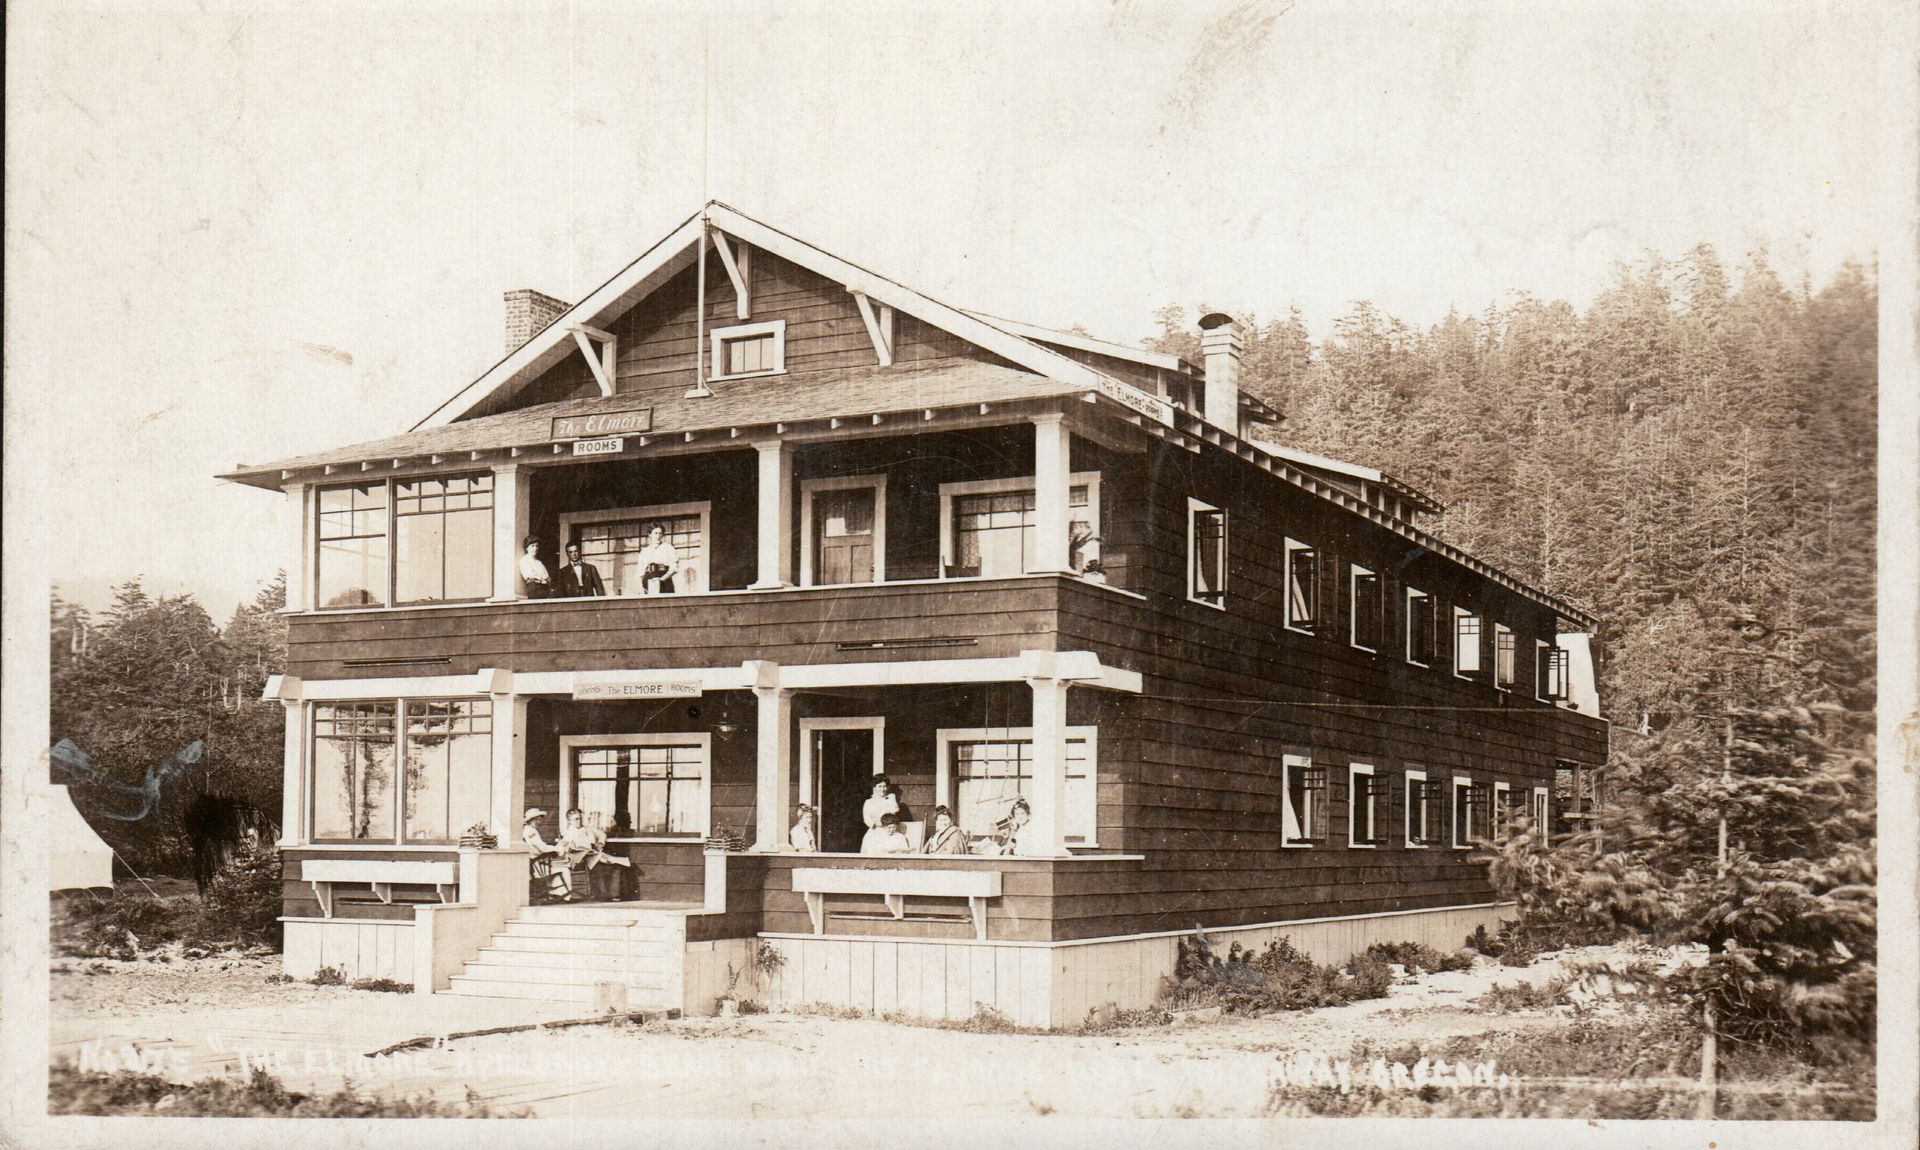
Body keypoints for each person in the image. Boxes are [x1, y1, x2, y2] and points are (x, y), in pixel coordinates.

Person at [558, 807, 630, 901]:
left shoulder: (588, 829)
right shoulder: (569, 833)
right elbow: (563, 847)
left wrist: (600, 843)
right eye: (576, 819)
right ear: (569, 821)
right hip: (580, 860)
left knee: (616, 864)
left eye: (580, 818)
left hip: (594, 855)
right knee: (604, 866)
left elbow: (602, 834)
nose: (579, 821)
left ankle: (614, 894)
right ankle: (604, 895)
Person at [520, 807, 573, 900]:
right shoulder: (531, 832)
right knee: (564, 869)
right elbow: (543, 848)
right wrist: (558, 848)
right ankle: (565, 896)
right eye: (539, 819)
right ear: (533, 820)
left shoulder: (525, 830)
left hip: (535, 863)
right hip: (537, 865)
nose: (540, 822)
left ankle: (555, 893)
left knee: (556, 866)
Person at [638, 526, 679, 595]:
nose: (658, 536)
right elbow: (640, 571)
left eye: (660, 533)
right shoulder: (645, 551)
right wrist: (640, 587)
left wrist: (663, 578)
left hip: (664, 578)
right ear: (650, 535)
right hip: (648, 579)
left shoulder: (668, 548)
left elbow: (674, 567)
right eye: (655, 533)